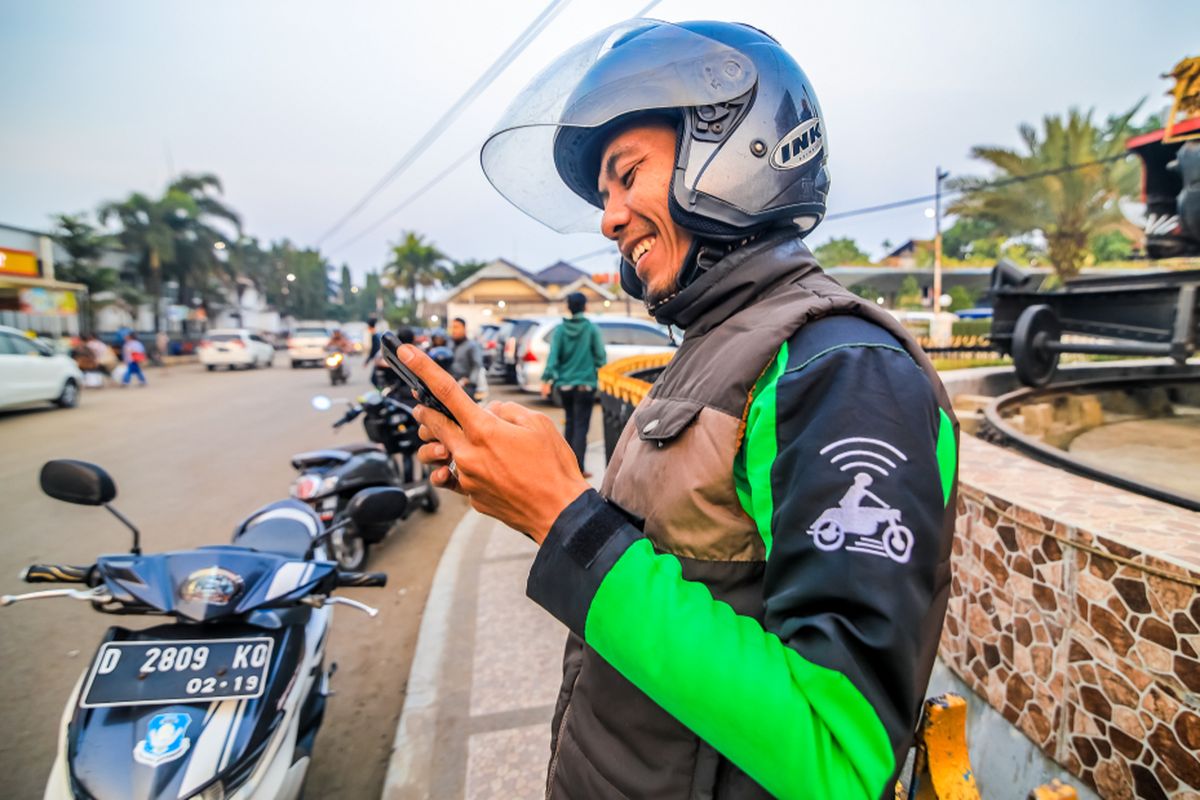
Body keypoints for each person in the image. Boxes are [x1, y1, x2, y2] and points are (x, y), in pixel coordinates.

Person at [404, 20, 959, 800]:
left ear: (732, 152)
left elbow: (840, 755)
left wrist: (563, 521)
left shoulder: (840, 370)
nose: (609, 218)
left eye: (626, 176)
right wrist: (527, 484)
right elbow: (684, 568)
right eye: (604, 195)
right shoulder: (716, 348)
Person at [541, 292, 606, 477]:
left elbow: (553, 358)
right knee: (581, 427)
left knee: (569, 423)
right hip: (585, 386)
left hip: (565, 386)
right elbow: (600, 357)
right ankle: (579, 469)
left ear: (568, 307)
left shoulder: (560, 330)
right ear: (585, 307)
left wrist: (546, 380)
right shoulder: (591, 329)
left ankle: (565, 467)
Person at [448, 317, 483, 400]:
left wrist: (470, 380)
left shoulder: (472, 346)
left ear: (464, 328)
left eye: (456, 327)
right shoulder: (450, 345)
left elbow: (477, 365)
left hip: (466, 387)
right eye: (452, 327)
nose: (453, 330)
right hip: (451, 385)